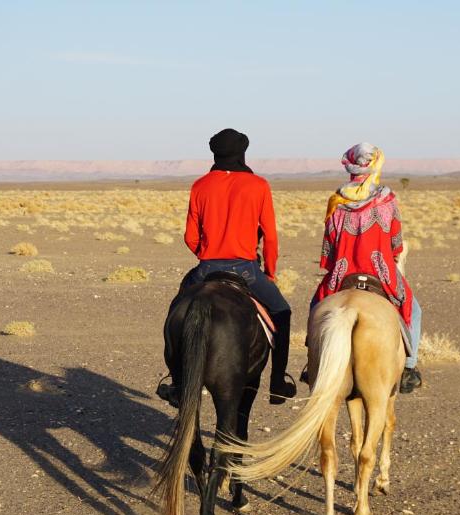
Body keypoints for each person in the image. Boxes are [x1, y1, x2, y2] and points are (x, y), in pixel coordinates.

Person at [164, 128, 297, 404]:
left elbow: (190, 236)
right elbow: (270, 237)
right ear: (242, 153)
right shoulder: (258, 185)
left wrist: (207, 253)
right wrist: (269, 271)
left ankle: (177, 383)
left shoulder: (200, 185)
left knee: (177, 309)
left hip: (206, 268)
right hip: (246, 268)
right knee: (282, 312)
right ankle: (277, 383)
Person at [313, 142, 423, 392]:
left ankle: (313, 361)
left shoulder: (336, 201)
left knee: (316, 307)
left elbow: (328, 249)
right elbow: (396, 244)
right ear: (375, 165)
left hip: (342, 274)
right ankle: (409, 367)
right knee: (413, 310)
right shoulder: (387, 199)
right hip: (380, 273)